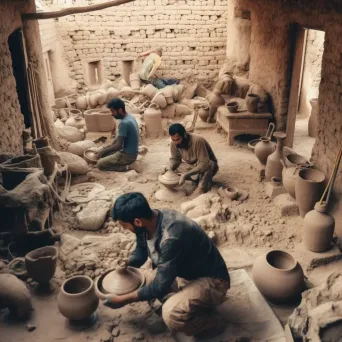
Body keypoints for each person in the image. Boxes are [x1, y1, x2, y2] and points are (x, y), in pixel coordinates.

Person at [104, 192, 230, 338]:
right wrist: (128, 261)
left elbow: (159, 286)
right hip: (185, 273)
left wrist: (123, 299)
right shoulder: (148, 220)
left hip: (213, 280)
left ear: (137, 222)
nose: (124, 228)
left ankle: (213, 323)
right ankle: (185, 309)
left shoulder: (171, 237)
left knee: (170, 314)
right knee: (145, 279)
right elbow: (141, 251)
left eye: (124, 225)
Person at [166, 123, 219, 195]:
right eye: (173, 139)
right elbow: (175, 159)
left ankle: (201, 188)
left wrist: (185, 175)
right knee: (173, 167)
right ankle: (197, 179)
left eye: (178, 139)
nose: (176, 142)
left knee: (209, 165)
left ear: (184, 135)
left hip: (207, 166)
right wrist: (170, 167)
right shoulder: (174, 143)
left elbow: (204, 164)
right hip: (192, 166)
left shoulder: (198, 141)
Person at [96, 98, 141, 172]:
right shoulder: (129, 116)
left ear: (120, 110)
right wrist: (107, 148)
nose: (112, 114)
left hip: (128, 155)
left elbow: (118, 145)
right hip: (133, 152)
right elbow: (119, 137)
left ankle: (128, 167)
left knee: (100, 164)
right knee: (105, 153)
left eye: (113, 111)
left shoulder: (124, 123)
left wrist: (103, 152)